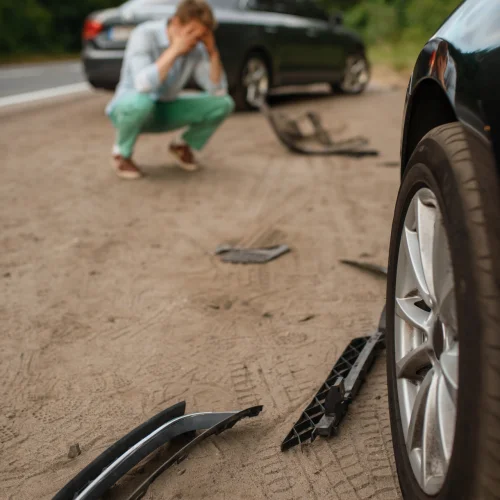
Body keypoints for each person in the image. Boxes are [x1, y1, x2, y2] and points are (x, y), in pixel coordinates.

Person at [106, 0, 234, 179]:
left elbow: (218, 91)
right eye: (190, 32)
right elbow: (143, 85)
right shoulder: (144, 34)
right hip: (128, 109)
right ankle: (121, 155)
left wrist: (212, 52)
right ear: (175, 22)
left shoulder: (196, 47)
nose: (194, 40)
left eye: (201, 36)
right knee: (142, 101)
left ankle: (181, 146)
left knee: (224, 103)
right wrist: (174, 50)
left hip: (163, 110)